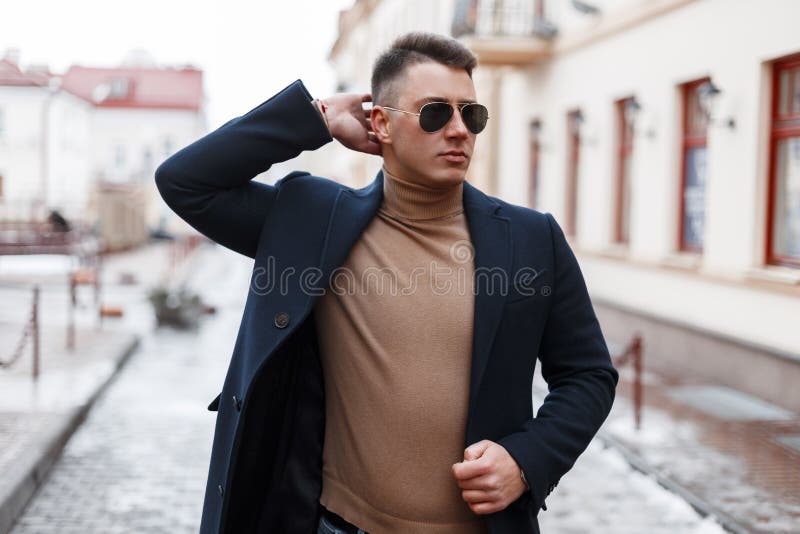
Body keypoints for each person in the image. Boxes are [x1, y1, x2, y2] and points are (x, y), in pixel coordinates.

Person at [155, 31, 618, 534]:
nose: (460, 130)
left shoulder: (532, 239)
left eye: (472, 114)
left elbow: (588, 375)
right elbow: (186, 181)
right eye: (436, 112)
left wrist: (526, 459)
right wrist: (315, 118)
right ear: (381, 123)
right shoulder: (313, 224)